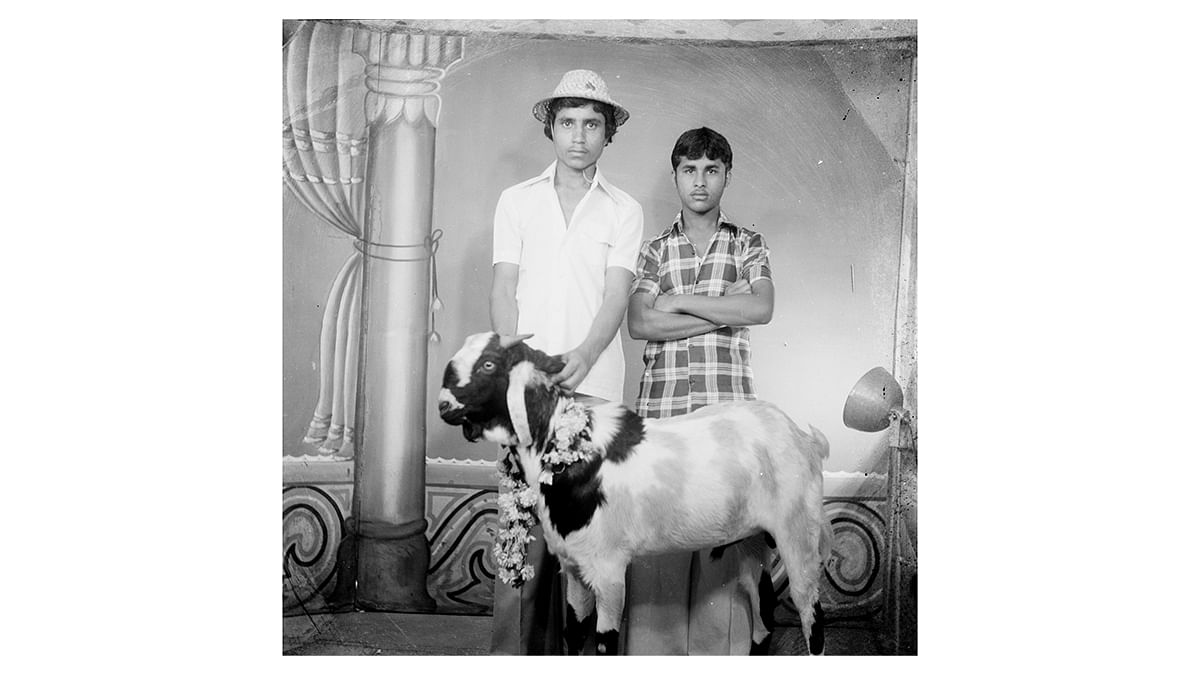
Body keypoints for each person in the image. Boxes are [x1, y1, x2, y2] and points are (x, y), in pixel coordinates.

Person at [488, 69, 644, 655]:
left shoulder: (623, 210)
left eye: (592, 124)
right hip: (526, 391)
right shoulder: (516, 201)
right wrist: (518, 360)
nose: (579, 136)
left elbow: (615, 296)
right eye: (568, 123)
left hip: (594, 387)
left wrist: (583, 354)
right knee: (520, 533)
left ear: (609, 135)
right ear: (550, 129)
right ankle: (515, 658)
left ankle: (586, 658)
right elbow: (504, 287)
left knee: (593, 539)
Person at [624, 126, 777, 655]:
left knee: (726, 540)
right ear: (675, 175)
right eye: (689, 169)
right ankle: (652, 655)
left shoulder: (747, 243)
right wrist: (718, 308)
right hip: (663, 417)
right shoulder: (654, 251)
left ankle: (721, 656)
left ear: (726, 176)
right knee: (658, 540)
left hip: (726, 420)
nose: (700, 181)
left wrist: (676, 303)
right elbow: (640, 324)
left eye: (712, 170)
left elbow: (759, 308)